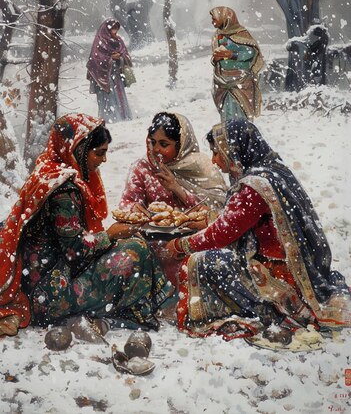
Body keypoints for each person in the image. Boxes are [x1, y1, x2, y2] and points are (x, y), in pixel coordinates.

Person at [165, 119, 351, 345]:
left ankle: (256, 311)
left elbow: (223, 234)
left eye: (216, 153)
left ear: (232, 150)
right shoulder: (274, 171)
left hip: (279, 275)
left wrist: (180, 245)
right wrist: (207, 220)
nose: (214, 161)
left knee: (198, 262)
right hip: (303, 267)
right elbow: (240, 221)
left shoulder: (254, 186)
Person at [0, 113, 173, 337]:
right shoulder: (64, 191)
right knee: (135, 251)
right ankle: (144, 310)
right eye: (99, 153)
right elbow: (75, 250)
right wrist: (111, 235)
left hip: (44, 280)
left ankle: (148, 308)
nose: (103, 160)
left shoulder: (48, 172)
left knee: (132, 244)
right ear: (78, 149)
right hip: (49, 294)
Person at [118, 111, 227, 286]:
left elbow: (218, 210)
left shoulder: (201, 167)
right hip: (153, 240)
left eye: (164, 144)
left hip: (194, 239)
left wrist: (176, 188)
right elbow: (126, 204)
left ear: (181, 144)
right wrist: (135, 210)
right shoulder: (143, 168)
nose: (156, 150)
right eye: (153, 142)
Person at [210, 6, 264, 121]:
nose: (213, 22)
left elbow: (250, 52)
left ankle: (241, 132)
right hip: (222, 81)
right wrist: (216, 58)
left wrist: (231, 55)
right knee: (227, 111)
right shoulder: (218, 35)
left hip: (241, 80)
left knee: (240, 110)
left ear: (226, 18)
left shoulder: (241, 33)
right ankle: (228, 131)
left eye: (215, 19)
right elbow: (215, 58)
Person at [87, 18, 133, 123]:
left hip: (116, 75)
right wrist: (110, 59)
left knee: (119, 96)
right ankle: (110, 118)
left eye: (116, 29)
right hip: (104, 76)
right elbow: (96, 59)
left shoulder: (118, 40)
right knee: (108, 97)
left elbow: (126, 56)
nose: (115, 31)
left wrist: (120, 57)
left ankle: (122, 115)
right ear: (106, 30)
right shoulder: (100, 42)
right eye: (113, 29)